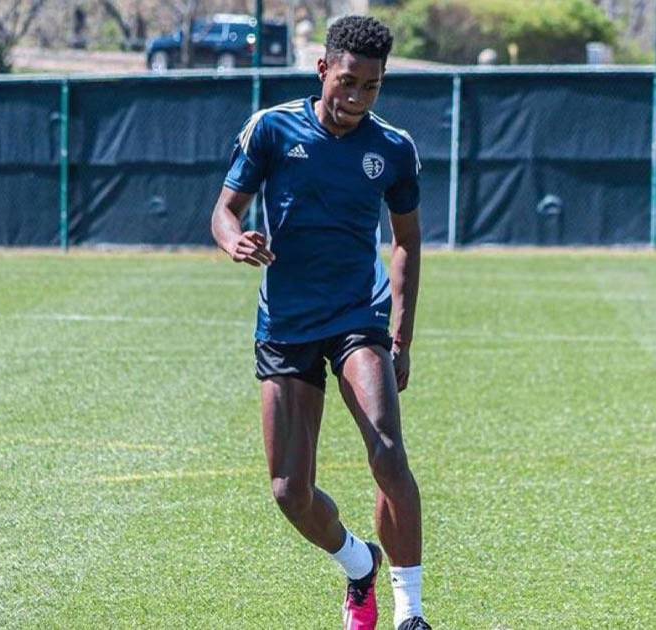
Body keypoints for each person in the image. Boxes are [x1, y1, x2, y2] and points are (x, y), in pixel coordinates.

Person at [209, 15, 429, 630]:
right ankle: (359, 563)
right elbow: (225, 210)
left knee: (387, 453)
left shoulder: (394, 148)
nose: (357, 97)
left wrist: (401, 337)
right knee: (290, 492)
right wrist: (234, 241)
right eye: (348, 82)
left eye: (372, 86)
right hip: (285, 321)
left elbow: (406, 241)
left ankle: (411, 612)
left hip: (359, 314)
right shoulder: (271, 129)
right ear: (323, 69)